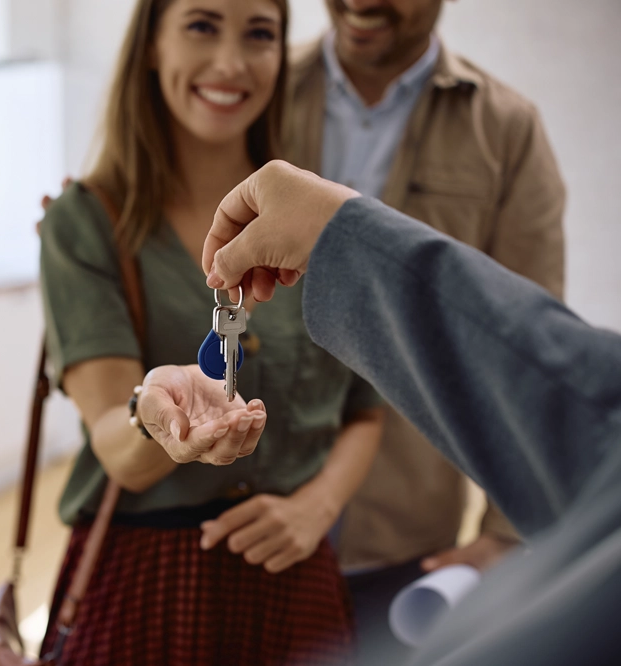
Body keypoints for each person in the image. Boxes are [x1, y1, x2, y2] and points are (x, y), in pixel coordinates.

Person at [135, 159, 621, 666]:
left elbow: (568, 389)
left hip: (393, 540)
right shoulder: (110, 213)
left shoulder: (503, 132)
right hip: (191, 568)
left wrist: (502, 535)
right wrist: (141, 411)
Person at [37, 1, 386, 663]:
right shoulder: (85, 222)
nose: (230, 63)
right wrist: (153, 417)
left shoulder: (325, 220)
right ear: (152, 46)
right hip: (147, 587)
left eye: (259, 34)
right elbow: (117, 449)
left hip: (296, 577)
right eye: (201, 25)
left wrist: (317, 507)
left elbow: (365, 412)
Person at [283, 2, 566, 661]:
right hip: (249, 512)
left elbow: (528, 340)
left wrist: (505, 532)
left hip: (404, 537)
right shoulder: (260, 87)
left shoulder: (506, 128)